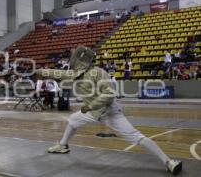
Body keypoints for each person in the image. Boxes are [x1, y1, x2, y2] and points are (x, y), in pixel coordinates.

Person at [36, 46, 182, 175]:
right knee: (73, 120)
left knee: (136, 137)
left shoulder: (99, 73)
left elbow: (109, 94)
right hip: (92, 113)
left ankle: (169, 162)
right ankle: (62, 146)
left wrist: (90, 106)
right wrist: (39, 71)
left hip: (110, 113)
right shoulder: (74, 73)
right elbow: (57, 73)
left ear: (81, 60)